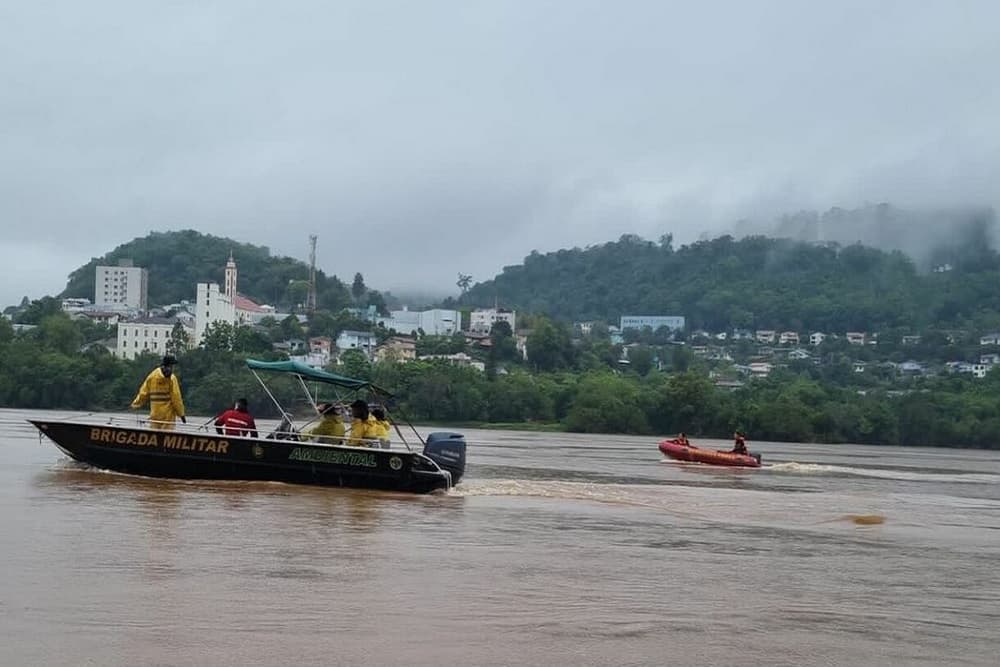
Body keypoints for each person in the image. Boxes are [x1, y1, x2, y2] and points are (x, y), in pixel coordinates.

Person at [131, 355, 186, 430]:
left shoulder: (152, 376)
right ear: (167, 366)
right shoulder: (172, 379)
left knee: (154, 436)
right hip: (167, 418)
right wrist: (182, 415)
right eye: (171, 366)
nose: (172, 369)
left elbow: (143, 393)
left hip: (155, 416)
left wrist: (136, 404)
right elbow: (176, 399)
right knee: (166, 438)